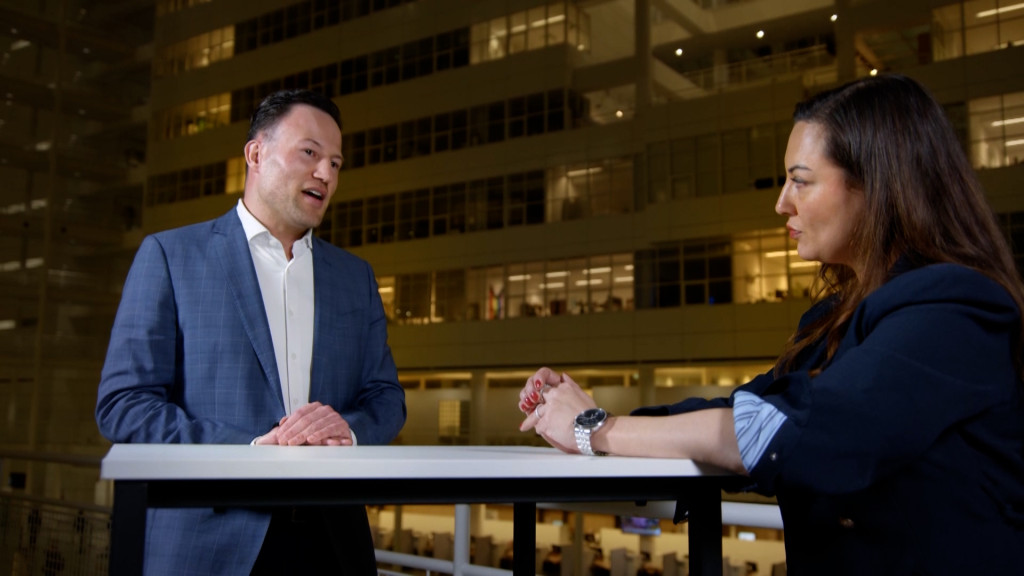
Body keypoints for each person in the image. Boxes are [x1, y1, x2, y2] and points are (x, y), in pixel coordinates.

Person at [518, 74, 1024, 575]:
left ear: (875, 184)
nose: (782, 202)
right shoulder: (831, 321)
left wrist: (595, 429)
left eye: (800, 180)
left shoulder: (955, 307)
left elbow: (782, 429)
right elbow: (743, 409)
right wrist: (588, 415)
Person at [96, 89, 407, 576]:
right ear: (256, 154)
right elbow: (124, 405)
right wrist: (249, 453)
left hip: (332, 544)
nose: (326, 174)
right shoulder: (170, 257)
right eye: (310, 153)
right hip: (210, 543)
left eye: (336, 163)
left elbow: (386, 399)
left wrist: (347, 431)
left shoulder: (356, 278)